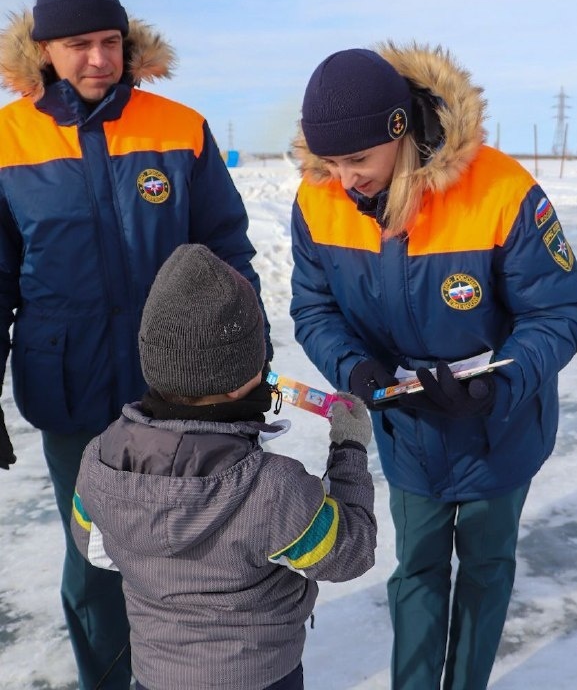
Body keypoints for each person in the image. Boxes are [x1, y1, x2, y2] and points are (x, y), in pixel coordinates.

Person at [0, 0, 272, 689]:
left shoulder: (177, 129)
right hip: (70, 388)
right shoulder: (6, 141)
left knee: (191, 552)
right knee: (94, 559)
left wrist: (253, 362)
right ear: (44, 51)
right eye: (79, 45)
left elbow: (227, 251)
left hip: (180, 389)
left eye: (110, 42)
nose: (98, 59)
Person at [289, 43, 577, 689]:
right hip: (410, 435)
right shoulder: (317, 201)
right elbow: (313, 309)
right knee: (417, 568)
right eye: (330, 161)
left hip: (501, 428)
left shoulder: (501, 190)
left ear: (400, 132)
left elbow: (559, 313)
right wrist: (357, 372)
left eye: (358, 159)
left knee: (485, 568)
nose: (345, 179)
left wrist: (497, 387)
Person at [71, 243, 376, 690]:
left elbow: (93, 546)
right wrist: (349, 449)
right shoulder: (272, 488)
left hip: (155, 675)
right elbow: (352, 549)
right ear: (240, 380)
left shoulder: (101, 457)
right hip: (260, 676)